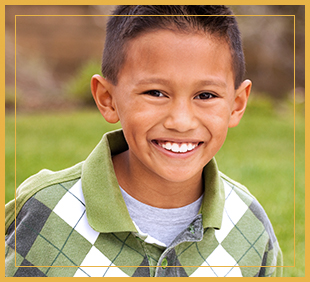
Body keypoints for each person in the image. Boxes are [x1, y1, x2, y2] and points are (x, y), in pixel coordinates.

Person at [5, 5, 283, 277]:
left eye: (206, 95)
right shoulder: (45, 211)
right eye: (155, 92)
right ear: (107, 99)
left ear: (237, 104)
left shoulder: (251, 226)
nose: (181, 121)